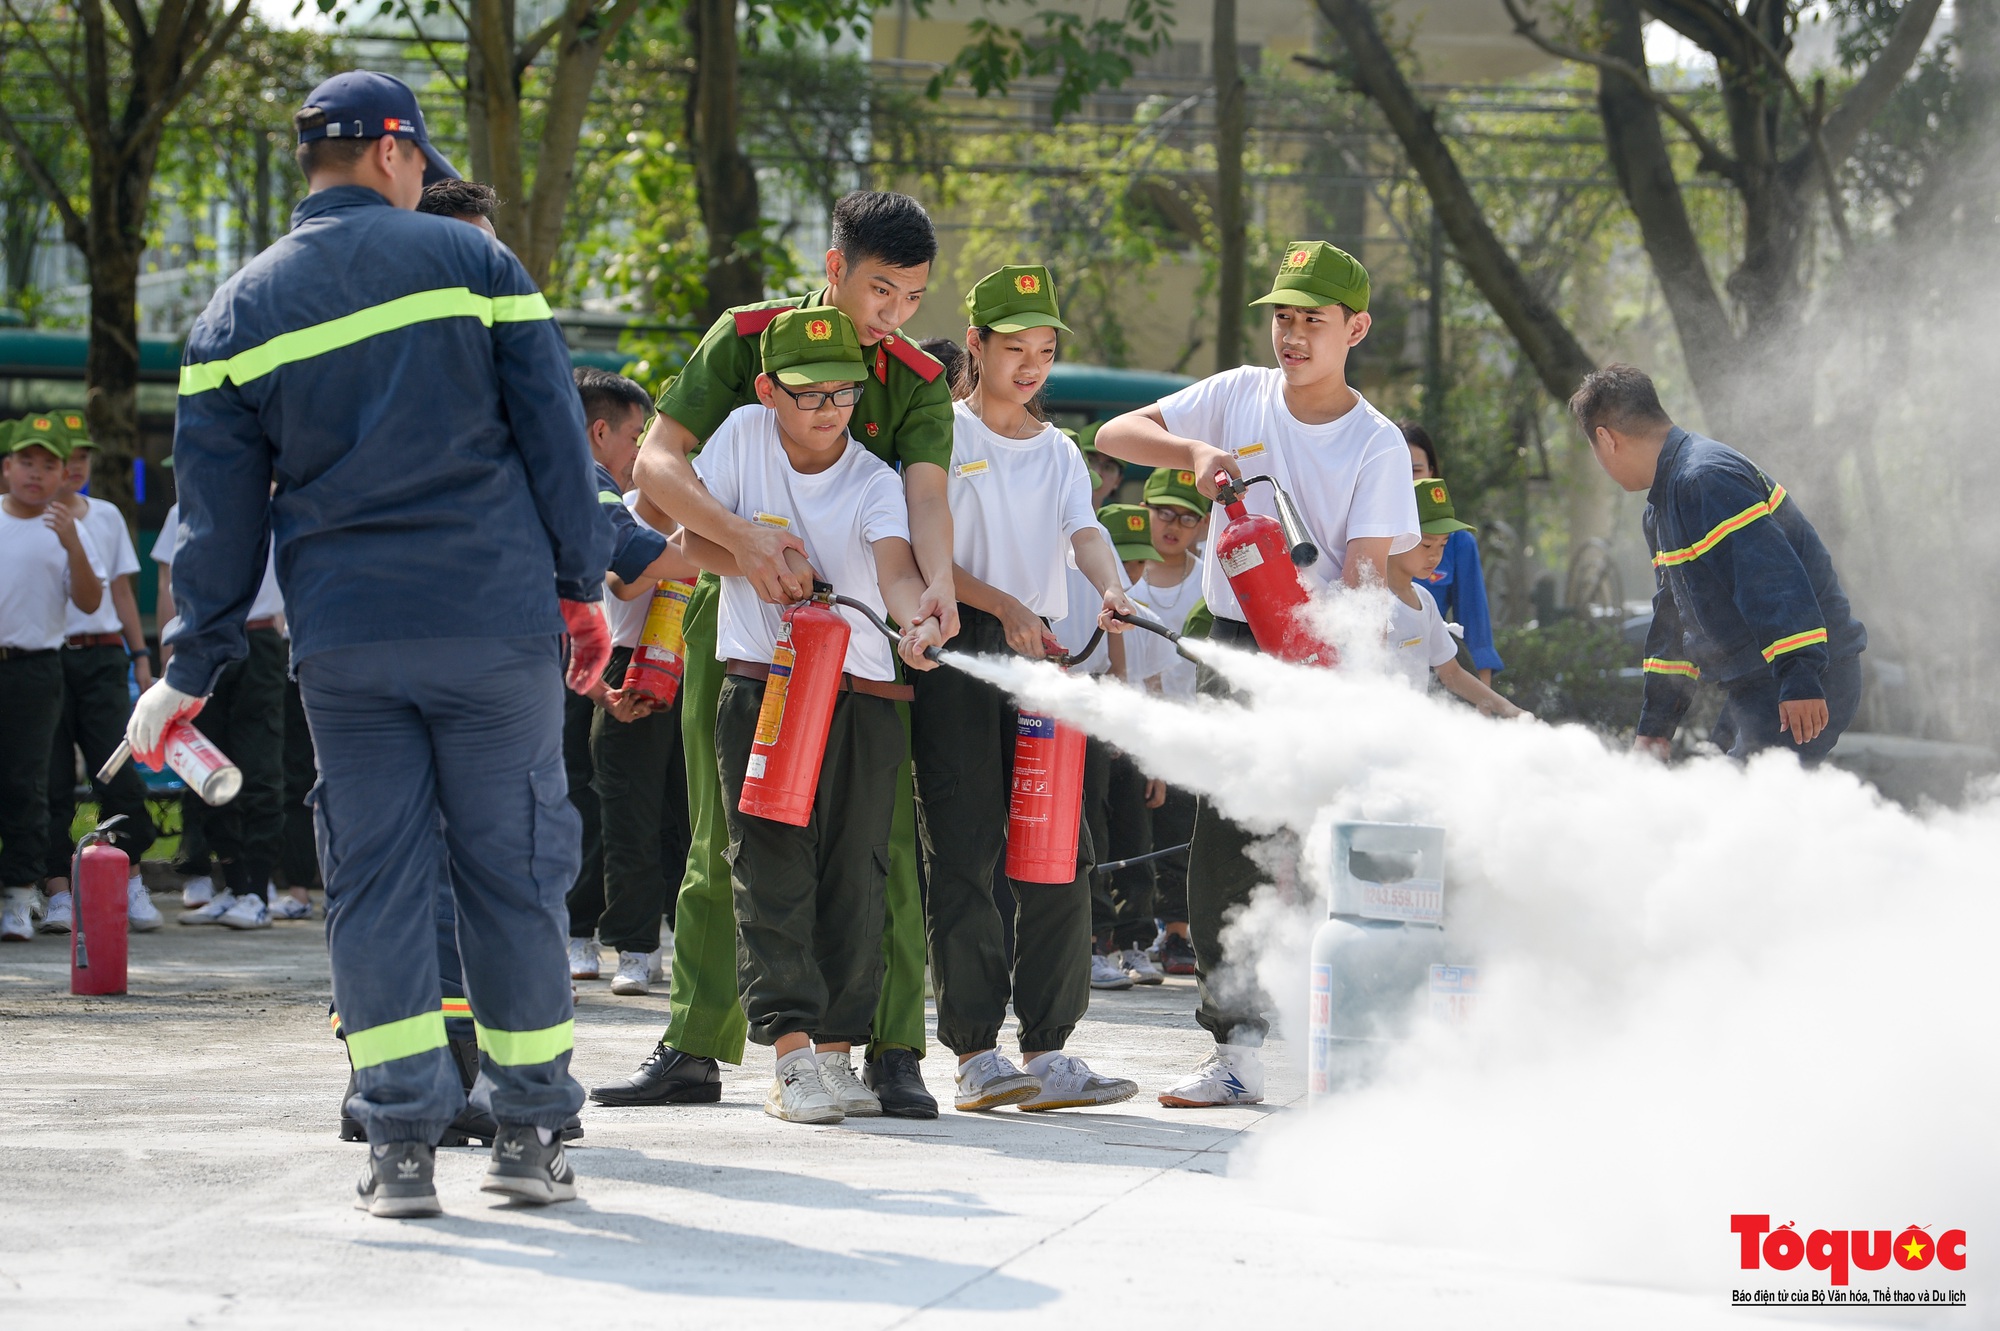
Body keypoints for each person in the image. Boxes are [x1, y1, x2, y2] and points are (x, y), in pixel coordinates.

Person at [129, 70, 611, 1218]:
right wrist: (580, 583)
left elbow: (213, 519)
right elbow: (554, 434)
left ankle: (399, 1144)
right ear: (395, 153)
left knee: (376, 881)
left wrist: (191, 664)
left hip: (345, 641)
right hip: (491, 627)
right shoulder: (479, 268)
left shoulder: (233, 314)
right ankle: (530, 1130)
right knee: (511, 873)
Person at [592, 191, 952, 1120]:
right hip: (745, 629)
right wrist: (743, 546)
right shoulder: (747, 338)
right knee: (725, 838)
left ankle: (892, 1045)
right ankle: (697, 1042)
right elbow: (658, 465)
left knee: (877, 853)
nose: (896, 315)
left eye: (913, 297)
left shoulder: (909, 374)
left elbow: (923, 503)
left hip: (866, 647)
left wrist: (933, 593)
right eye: (881, 290)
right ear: (834, 269)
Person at [1094, 240, 1420, 1108]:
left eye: (1313, 319)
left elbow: (1364, 571)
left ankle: (1342, 1039)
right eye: (1283, 316)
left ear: (1356, 328)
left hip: (1319, 657)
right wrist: (1193, 454)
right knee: (1226, 843)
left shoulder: (1377, 443)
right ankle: (1234, 1044)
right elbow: (1114, 433)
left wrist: (1342, 670)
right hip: (1232, 643)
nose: (1293, 334)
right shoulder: (1237, 392)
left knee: (1318, 845)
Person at [684, 307, 941, 1122]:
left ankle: (837, 1053)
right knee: (768, 864)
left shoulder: (871, 477)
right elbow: (683, 537)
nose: (830, 408)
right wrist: (750, 561)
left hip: (860, 696)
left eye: (844, 392)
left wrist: (918, 616)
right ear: (767, 390)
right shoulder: (737, 439)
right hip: (765, 688)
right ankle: (790, 1056)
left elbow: (895, 567)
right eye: (808, 394)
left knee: (854, 874)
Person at [917, 263, 1140, 1113]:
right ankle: (976, 1051)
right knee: (966, 846)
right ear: (974, 344)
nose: (1032, 366)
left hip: (1042, 653)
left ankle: (1048, 1048)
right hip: (964, 645)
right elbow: (926, 545)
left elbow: (1082, 532)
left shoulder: (1057, 451)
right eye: (1015, 349)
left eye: (1044, 350)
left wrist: (1112, 586)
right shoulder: (942, 432)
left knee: (1059, 852)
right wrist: (998, 602)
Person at [1570, 365, 1866, 762]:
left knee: (1746, 804)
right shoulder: (1661, 510)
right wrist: (1655, 727)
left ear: (1606, 439)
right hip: (1759, 683)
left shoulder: (1704, 478)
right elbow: (1673, 619)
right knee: (1719, 785)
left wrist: (1800, 676)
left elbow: (1771, 580)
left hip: (1807, 675)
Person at [572, 366, 700, 994]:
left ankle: (667, 937)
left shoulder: (704, 509)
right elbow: (626, 579)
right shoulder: (611, 504)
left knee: (680, 814)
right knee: (623, 813)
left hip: (688, 666)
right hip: (628, 663)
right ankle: (630, 945)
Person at [39, 410, 161, 933]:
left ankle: (130, 874)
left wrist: (142, 658)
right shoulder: (25, 517)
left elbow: (123, 594)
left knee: (115, 766)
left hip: (104, 655)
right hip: (46, 656)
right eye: (65, 457)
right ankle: (57, 891)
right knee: (47, 776)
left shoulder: (107, 515)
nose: (75, 467)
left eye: (84, 456)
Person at [150, 495, 290, 929]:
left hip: (259, 639)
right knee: (207, 762)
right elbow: (167, 585)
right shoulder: (183, 508)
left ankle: (257, 888)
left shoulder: (281, 505)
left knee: (260, 763)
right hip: (202, 644)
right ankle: (232, 883)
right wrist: (165, 659)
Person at [1, 420, 104, 941]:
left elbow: (90, 600)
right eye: (26, 462)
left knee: (25, 783)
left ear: (64, 474)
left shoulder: (69, 527)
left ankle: (19, 897)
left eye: (48, 465)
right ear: (7, 468)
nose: (36, 474)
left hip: (35, 668)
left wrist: (70, 543)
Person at [1125, 468, 1210, 976]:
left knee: (1183, 826)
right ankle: (1127, 933)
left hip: (1191, 723)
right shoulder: (1123, 575)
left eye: (1187, 517)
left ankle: (1177, 933)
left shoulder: (1208, 578)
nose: (1173, 526)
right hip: (1131, 724)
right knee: (1132, 833)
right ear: (1146, 510)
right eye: (1163, 513)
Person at [1386, 479, 1526, 717]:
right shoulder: (1372, 602)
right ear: (1394, 535)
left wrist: (1509, 709)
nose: (1435, 556)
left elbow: (1451, 672)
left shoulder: (1425, 600)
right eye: (1427, 544)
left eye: (1443, 544)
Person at [1402, 423, 1503, 684]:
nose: (1433, 555)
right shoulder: (1364, 535)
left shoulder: (1459, 543)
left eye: (1416, 470)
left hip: (1435, 679)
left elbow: (1475, 631)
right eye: (1425, 545)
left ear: (1432, 473)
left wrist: (1485, 705)